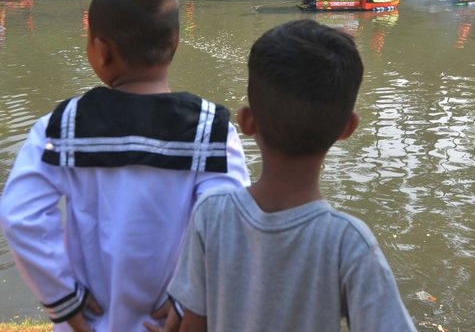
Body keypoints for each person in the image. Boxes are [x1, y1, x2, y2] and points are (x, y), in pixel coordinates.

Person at [0, 0, 250, 332]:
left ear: (100, 50)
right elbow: (231, 225)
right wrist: (189, 298)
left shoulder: (62, 126)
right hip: (176, 321)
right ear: (176, 43)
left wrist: (63, 299)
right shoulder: (212, 129)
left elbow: (20, 216)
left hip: (88, 322)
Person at [165, 20, 418, 332]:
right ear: (347, 129)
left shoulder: (211, 214)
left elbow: (194, 325)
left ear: (246, 122)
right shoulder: (348, 242)